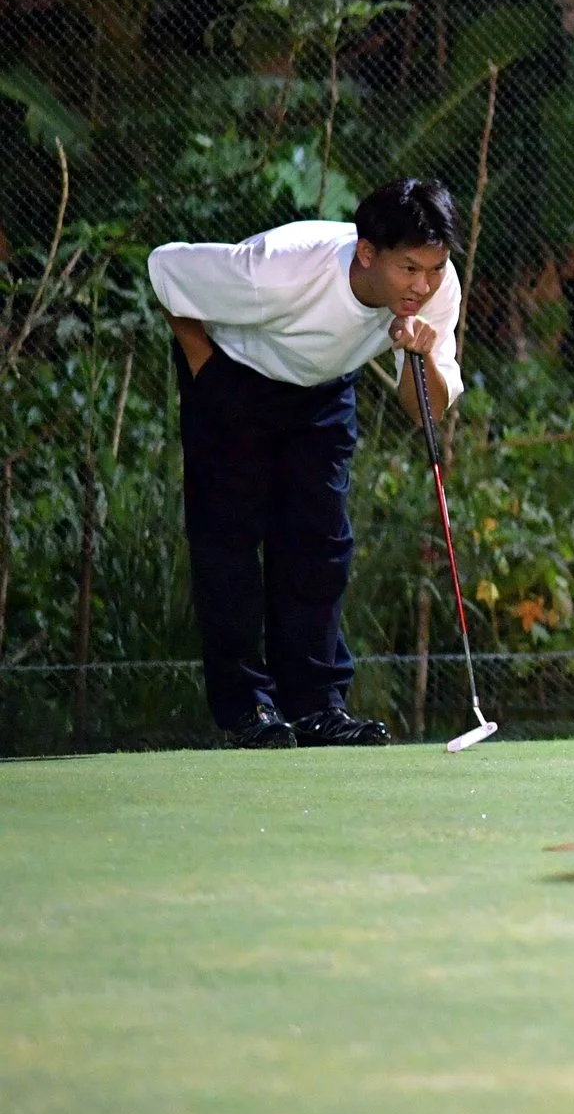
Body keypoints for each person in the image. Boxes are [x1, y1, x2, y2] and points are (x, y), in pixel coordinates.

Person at [148, 179, 465, 748]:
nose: (424, 285)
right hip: (238, 378)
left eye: (436, 268)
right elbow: (165, 269)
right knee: (230, 546)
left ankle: (317, 705)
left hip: (323, 388)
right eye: (410, 268)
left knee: (321, 545)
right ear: (368, 253)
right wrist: (207, 372)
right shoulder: (282, 268)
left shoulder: (436, 292)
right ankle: (248, 708)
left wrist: (419, 355)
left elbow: (425, 411)